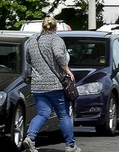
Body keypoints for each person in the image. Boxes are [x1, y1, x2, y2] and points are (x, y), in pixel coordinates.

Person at [23, 16, 81, 152]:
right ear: (55, 28)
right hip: (55, 85)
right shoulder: (56, 39)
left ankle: (30, 138)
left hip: (38, 85)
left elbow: (28, 59)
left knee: (43, 113)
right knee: (63, 115)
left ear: (42, 27)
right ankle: (70, 145)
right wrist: (67, 70)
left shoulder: (32, 41)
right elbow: (60, 56)